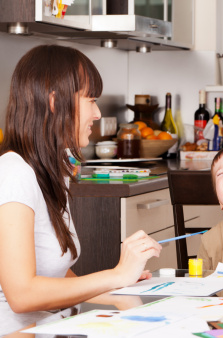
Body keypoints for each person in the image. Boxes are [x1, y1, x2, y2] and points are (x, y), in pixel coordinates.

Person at [0, 45, 162, 335]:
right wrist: (115, 275)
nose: (98, 113)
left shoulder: (52, 168)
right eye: (91, 100)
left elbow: (55, 274)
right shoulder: (13, 173)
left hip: (47, 326)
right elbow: (22, 296)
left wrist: (117, 287)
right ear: (54, 101)